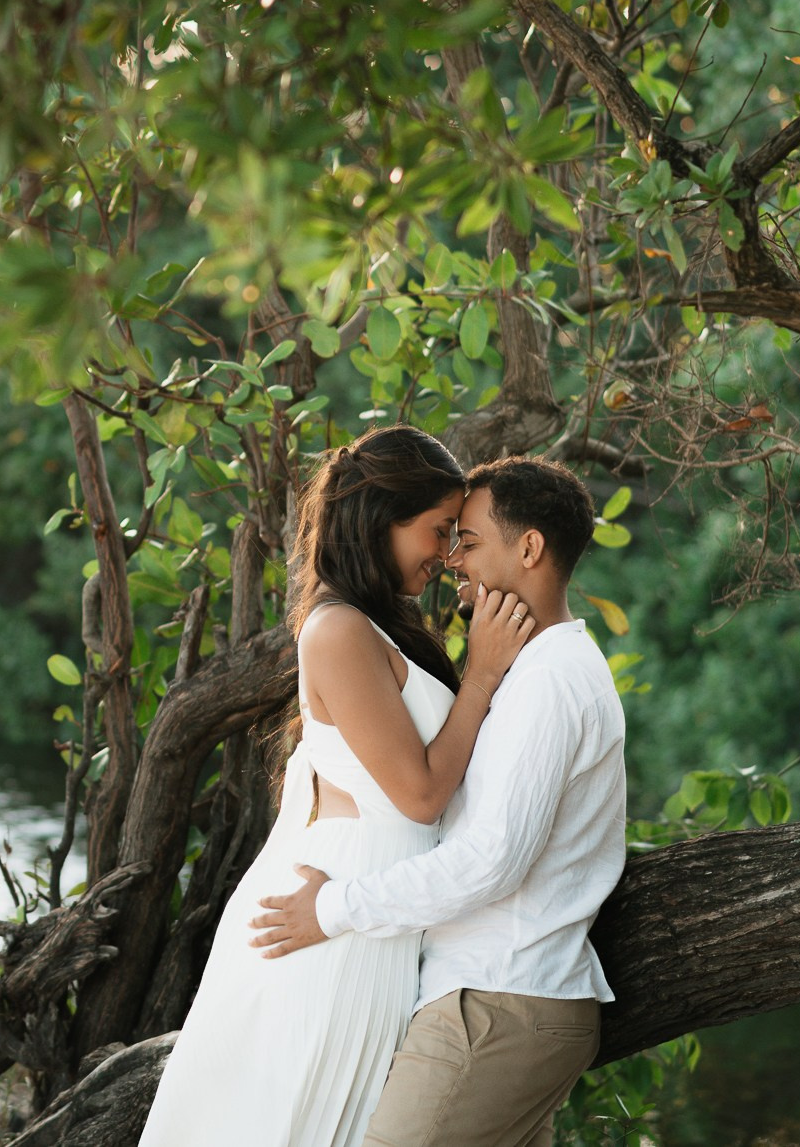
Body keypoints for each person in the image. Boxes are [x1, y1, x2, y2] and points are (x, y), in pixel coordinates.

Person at [135, 426, 537, 1147]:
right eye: (438, 530)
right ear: (383, 519)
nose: (447, 553)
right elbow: (420, 794)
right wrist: (481, 673)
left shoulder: (385, 626)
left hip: (376, 905)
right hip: (339, 918)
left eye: (456, 534)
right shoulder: (338, 630)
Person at [251, 455, 627, 1147]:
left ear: (530, 549)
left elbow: (490, 860)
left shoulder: (549, 680)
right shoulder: (533, 671)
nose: (454, 559)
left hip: (497, 1002)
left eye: (470, 541)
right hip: (498, 998)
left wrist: (332, 908)